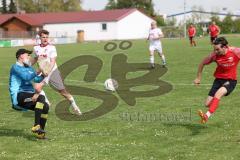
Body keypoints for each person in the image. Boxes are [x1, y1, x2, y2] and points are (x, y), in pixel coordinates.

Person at [31, 29, 82, 115]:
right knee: (37, 88)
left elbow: (53, 61)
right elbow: (35, 59)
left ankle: (74, 106)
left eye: (47, 37)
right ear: (40, 37)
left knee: (63, 92)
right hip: (42, 72)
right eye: (43, 37)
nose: (45, 39)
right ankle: (47, 103)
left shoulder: (52, 48)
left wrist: (48, 71)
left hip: (53, 72)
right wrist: (27, 66)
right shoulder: (36, 48)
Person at [194, 37, 240, 124]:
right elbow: (202, 63)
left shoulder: (235, 51)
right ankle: (215, 104)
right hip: (218, 80)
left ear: (224, 47)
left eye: (217, 49)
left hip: (230, 80)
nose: (215, 52)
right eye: (214, 49)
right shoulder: (214, 55)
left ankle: (206, 116)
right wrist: (198, 78)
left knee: (218, 93)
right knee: (207, 104)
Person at [9, 49, 49, 139]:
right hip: (19, 96)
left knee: (46, 107)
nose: (29, 57)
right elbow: (26, 77)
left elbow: (36, 80)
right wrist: (38, 70)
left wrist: (44, 74)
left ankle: (40, 133)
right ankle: (36, 126)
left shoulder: (28, 68)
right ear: (21, 56)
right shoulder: (15, 67)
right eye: (28, 55)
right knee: (41, 97)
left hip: (28, 95)